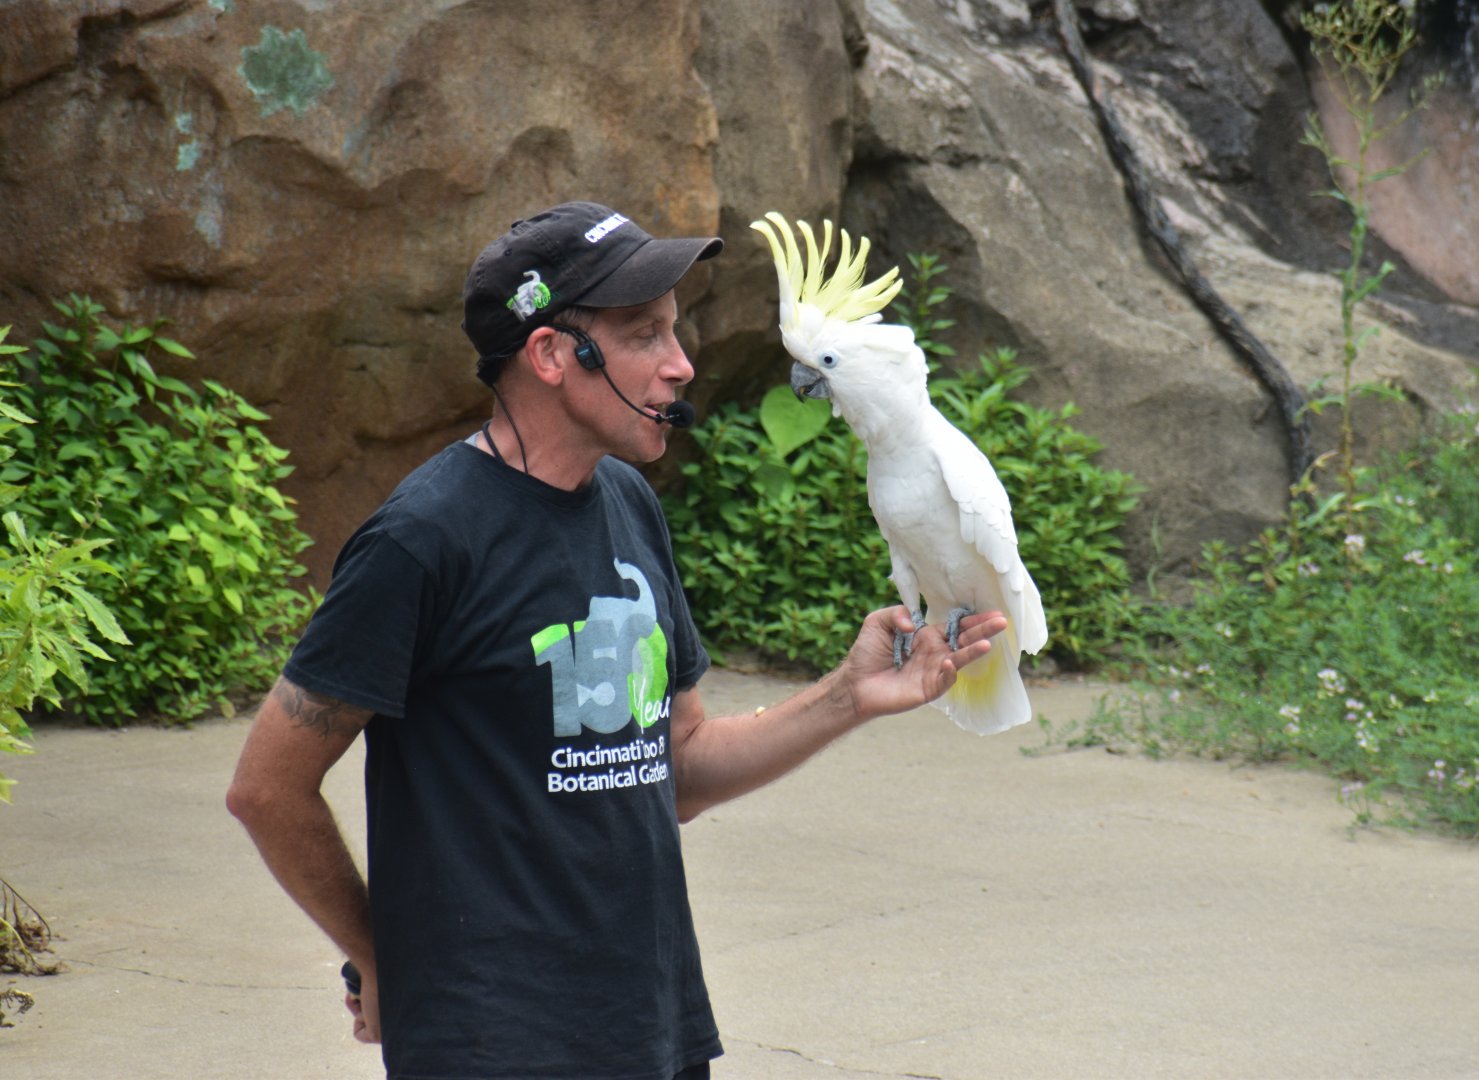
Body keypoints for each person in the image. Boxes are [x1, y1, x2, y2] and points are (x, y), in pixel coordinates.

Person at [226, 201, 1007, 1080]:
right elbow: (267, 788)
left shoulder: (628, 505)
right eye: (646, 335)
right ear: (554, 355)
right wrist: (380, 953)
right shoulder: (423, 542)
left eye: (675, 330)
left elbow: (679, 768)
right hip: (491, 1042)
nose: (681, 366)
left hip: (651, 1025)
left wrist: (848, 695)